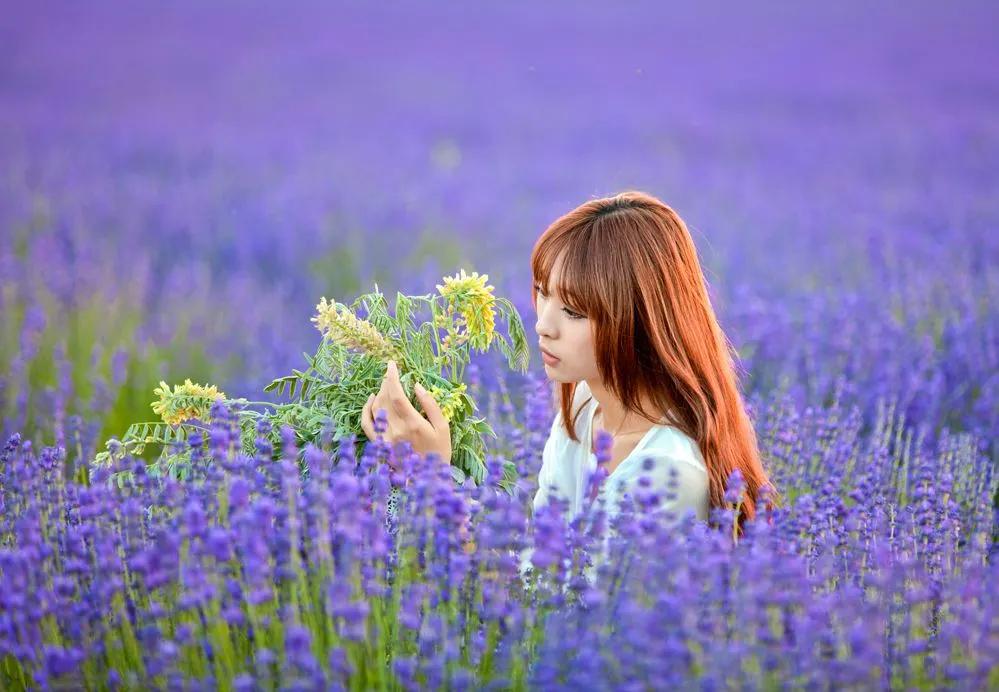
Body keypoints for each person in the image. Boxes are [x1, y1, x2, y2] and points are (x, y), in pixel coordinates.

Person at [360, 190, 780, 546]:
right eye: (542, 294)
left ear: (637, 320)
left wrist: (436, 482)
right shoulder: (584, 408)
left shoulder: (668, 472)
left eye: (574, 312)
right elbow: (534, 571)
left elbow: (553, 622)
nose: (543, 325)